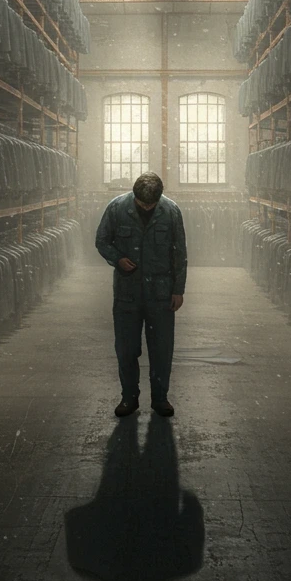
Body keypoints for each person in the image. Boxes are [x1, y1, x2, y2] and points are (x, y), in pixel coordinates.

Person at [94, 172, 187, 418]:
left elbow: (180, 253)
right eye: (142, 203)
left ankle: (160, 398)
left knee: (162, 349)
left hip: (161, 294)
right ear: (134, 195)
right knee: (126, 348)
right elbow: (102, 240)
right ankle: (129, 398)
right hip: (128, 293)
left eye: (151, 204)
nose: (146, 207)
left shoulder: (171, 211)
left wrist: (178, 289)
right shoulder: (116, 208)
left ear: (159, 198)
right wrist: (117, 259)